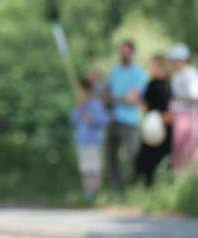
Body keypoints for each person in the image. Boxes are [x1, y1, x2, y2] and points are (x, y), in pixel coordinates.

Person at [104, 40, 148, 194]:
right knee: (111, 156)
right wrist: (118, 99)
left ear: (132, 53)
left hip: (130, 121)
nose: (123, 54)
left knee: (133, 156)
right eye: (122, 51)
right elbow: (107, 96)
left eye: (126, 51)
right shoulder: (114, 72)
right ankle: (117, 186)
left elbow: (132, 98)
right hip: (113, 119)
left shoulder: (139, 73)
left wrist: (115, 99)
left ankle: (136, 187)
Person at [70, 76, 111, 202]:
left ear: (86, 90)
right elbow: (73, 119)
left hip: (93, 141)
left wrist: (93, 119)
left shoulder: (95, 104)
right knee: (85, 167)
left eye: (81, 90)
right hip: (82, 140)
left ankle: (96, 192)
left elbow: (106, 119)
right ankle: (87, 192)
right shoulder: (81, 105)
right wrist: (80, 110)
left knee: (95, 167)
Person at [134, 55, 172, 186]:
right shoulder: (155, 84)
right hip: (155, 126)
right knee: (150, 158)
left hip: (162, 125)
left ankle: (157, 184)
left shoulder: (165, 84)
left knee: (157, 157)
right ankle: (150, 185)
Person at [167, 43, 198, 171]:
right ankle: (177, 174)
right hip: (178, 115)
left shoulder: (192, 75)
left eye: (175, 60)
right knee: (177, 148)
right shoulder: (176, 76)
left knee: (189, 149)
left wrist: (177, 99)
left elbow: (195, 100)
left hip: (189, 115)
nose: (173, 63)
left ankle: (190, 175)